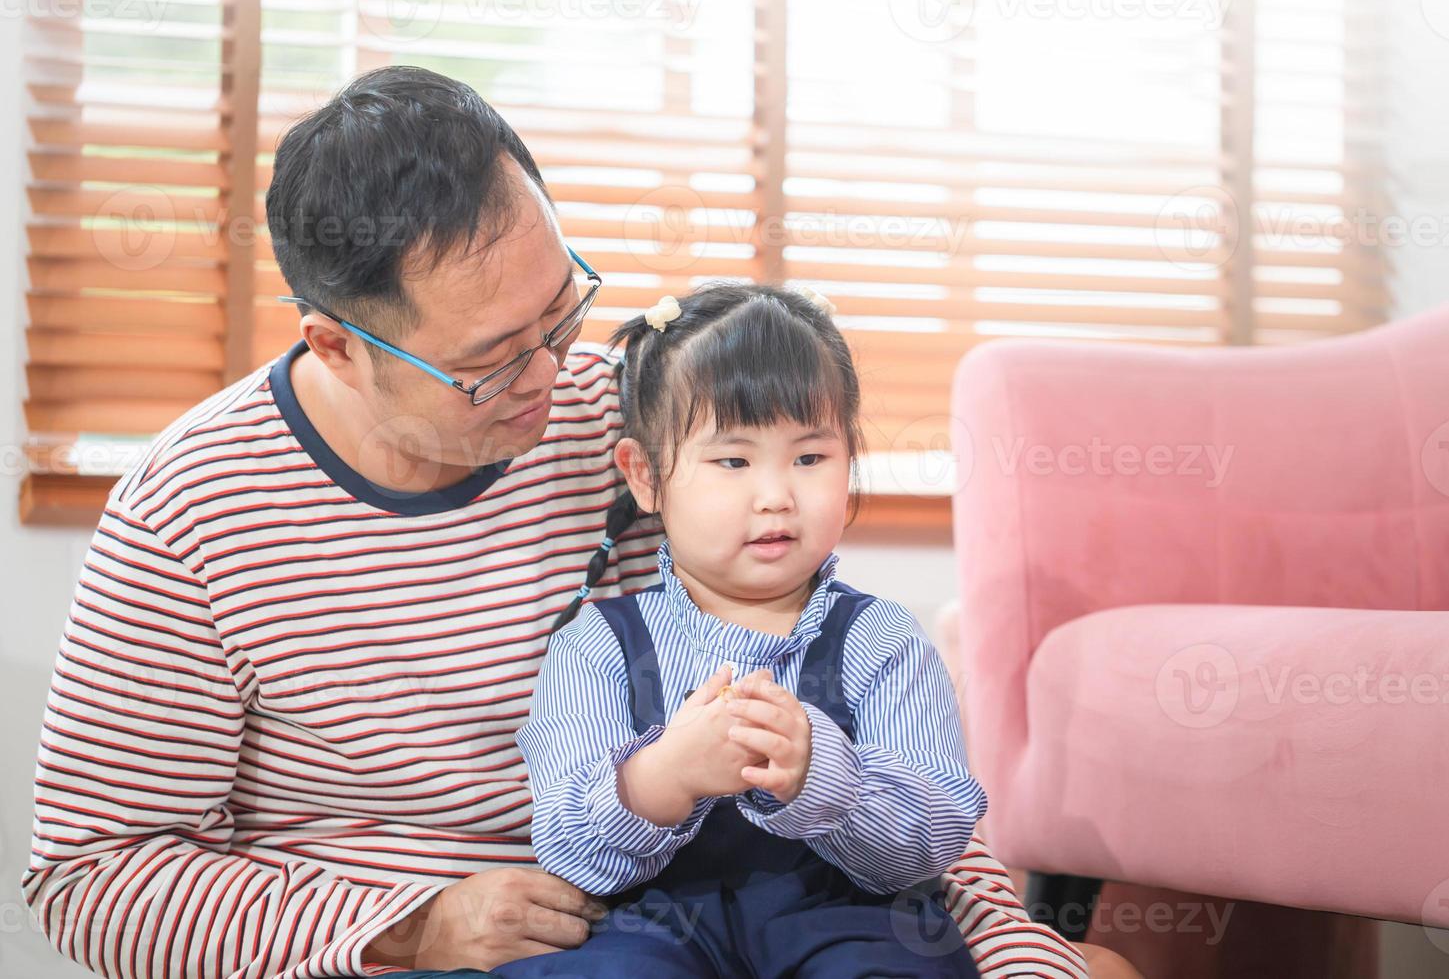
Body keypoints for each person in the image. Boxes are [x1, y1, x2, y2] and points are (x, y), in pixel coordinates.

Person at [20, 66, 1094, 979]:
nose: (554, 376)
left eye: (562, 308)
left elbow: (843, 716)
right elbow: (90, 873)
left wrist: (1019, 952)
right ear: (338, 346)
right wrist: (412, 929)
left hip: (700, 916)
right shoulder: (190, 513)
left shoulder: (625, 426)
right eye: (492, 362)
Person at [487, 283, 985, 978]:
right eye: (733, 461)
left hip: (848, 919)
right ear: (645, 476)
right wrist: (662, 775)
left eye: (809, 458)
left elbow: (932, 839)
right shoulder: (597, 643)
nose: (776, 495)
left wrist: (821, 776)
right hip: (655, 920)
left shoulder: (881, 637)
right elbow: (572, 853)